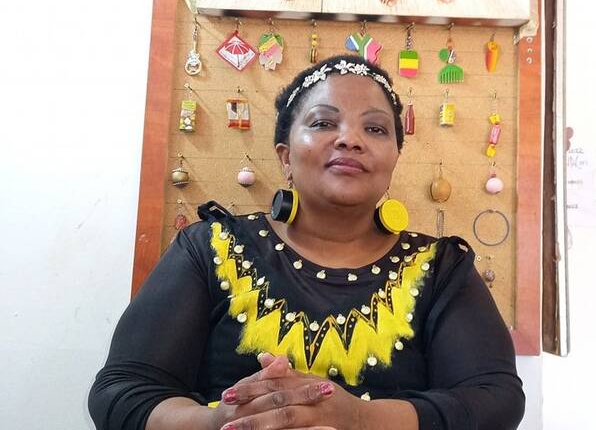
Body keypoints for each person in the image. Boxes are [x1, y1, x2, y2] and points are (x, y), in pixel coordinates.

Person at [88, 55, 526, 429]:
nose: (350, 139)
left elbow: (496, 400)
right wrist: (222, 419)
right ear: (285, 156)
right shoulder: (210, 248)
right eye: (323, 123)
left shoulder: (441, 268)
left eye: (375, 129)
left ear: (395, 157)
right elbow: (120, 392)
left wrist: (359, 418)